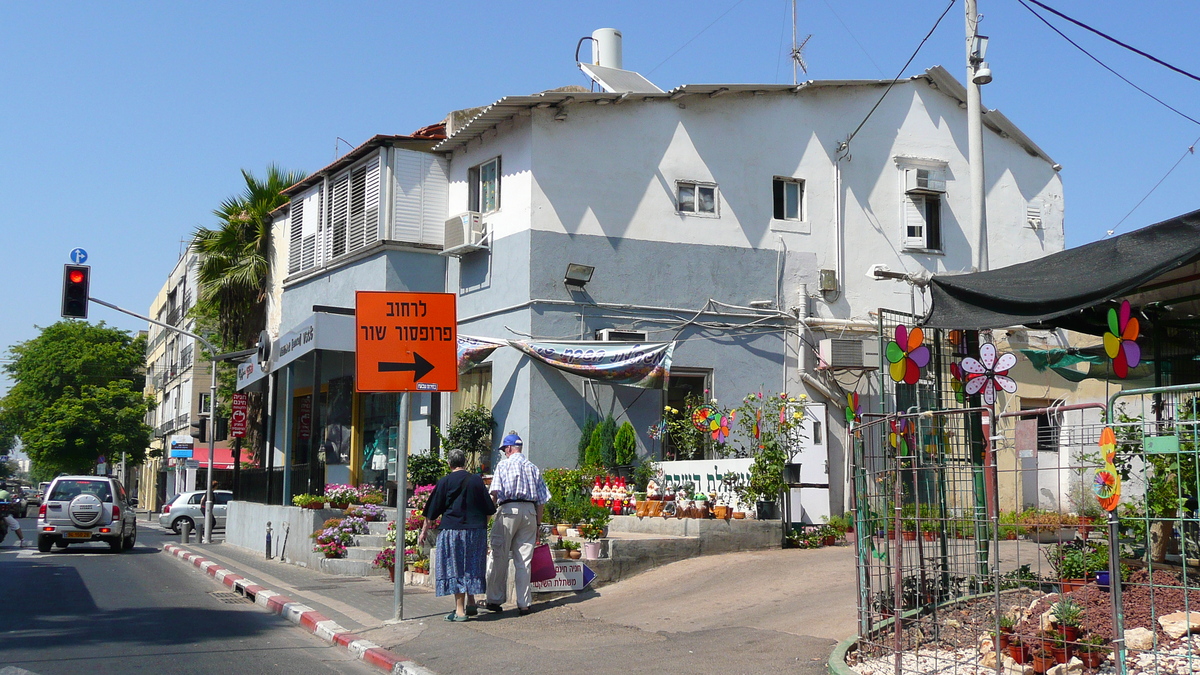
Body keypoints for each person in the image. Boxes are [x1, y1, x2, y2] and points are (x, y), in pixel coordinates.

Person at [419, 449, 496, 622]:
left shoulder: (445, 481)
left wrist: (424, 531)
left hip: (452, 531)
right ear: (464, 462)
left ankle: (459, 611)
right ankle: (471, 601)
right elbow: (489, 509)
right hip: (476, 531)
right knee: (471, 565)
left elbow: (432, 511)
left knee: (456, 568)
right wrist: (482, 526)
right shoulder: (476, 481)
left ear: (449, 463)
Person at [485, 432, 550, 616]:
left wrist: (486, 518)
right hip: (529, 511)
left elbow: (494, 494)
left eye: (505, 450)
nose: (505, 453)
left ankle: (495, 599)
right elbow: (542, 500)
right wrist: (538, 525)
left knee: (500, 554)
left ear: (509, 448)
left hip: (508, 510)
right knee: (524, 560)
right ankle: (524, 603)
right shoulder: (533, 468)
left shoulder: (503, 465)